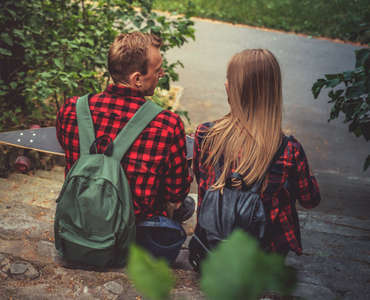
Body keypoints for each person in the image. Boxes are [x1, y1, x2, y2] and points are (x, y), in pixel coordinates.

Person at [56, 32, 193, 262]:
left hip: (79, 225)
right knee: (186, 205)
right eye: (158, 69)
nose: (162, 74)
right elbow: (175, 193)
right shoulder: (167, 125)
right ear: (137, 78)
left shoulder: (71, 110)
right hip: (134, 238)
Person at [192, 49, 321, 256]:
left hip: (209, 252)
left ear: (234, 89)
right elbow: (310, 200)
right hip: (261, 265)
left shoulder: (205, 135)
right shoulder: (289, 151)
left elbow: (203, 183)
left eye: (229, 79)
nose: (225, 83)